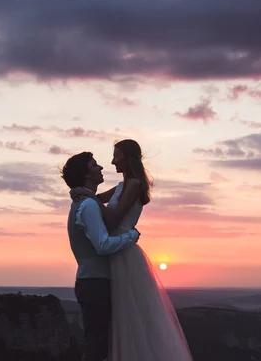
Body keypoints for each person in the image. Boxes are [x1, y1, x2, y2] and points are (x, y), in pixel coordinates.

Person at [71, 139, 193, 361]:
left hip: (124, 251)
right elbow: (96, 199)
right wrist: (85, 196)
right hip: (115, 251)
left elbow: (112, 217)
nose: (112, 161)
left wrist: (88, 199)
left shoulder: (134, 184)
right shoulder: (120, 186)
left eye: (116, 156)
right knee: (116, 320)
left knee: (132, 316)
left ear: (127, 158)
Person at [61, 151, 141, 361]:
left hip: (93, 281)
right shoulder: (87, 205)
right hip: (95, 283)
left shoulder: (84, 202)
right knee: (97, 347)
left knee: (99, 343)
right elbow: (103, 245)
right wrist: (131, 236)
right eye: (95, 165)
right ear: (87, 175)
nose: (101, 168)